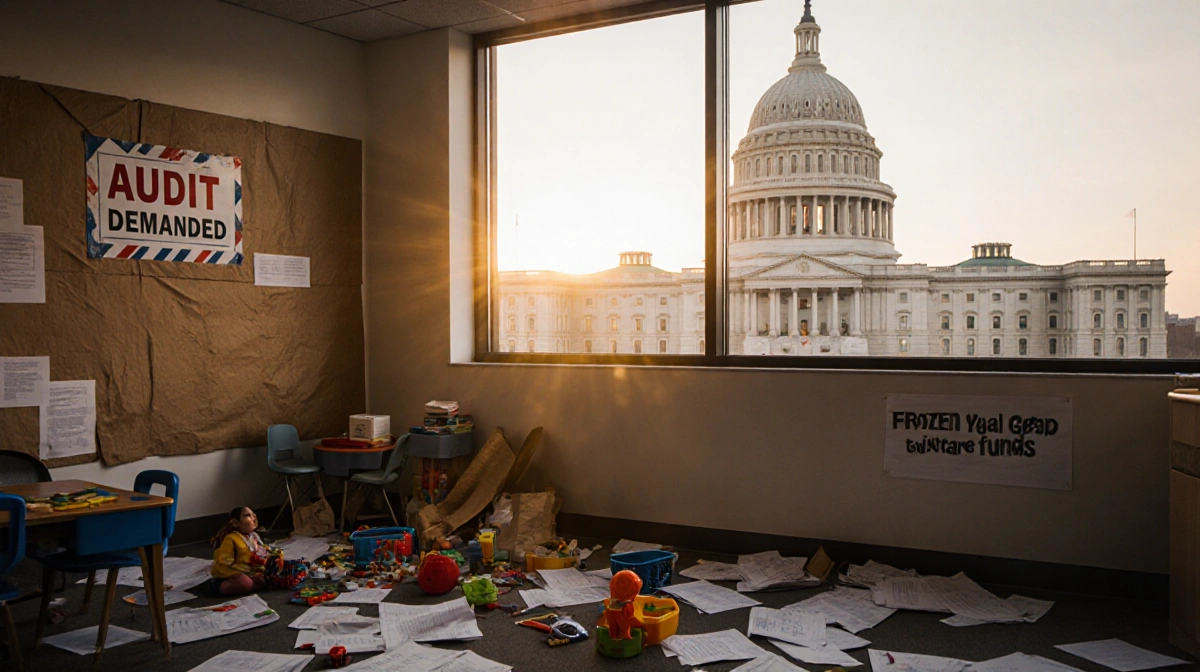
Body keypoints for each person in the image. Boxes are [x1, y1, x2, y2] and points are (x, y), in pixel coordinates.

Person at [210, 506, 270, 596]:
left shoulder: (254, 536)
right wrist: (246, 569)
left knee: (267, 578)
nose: (253, 518)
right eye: (247, 516)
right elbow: (225, 561)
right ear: (235, 523)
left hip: (247, 569)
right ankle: (218, 586)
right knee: (246, 584)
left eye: (253, 515)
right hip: (230, 570)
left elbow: (259, 551)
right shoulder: (230, 538)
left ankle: (248, 583)